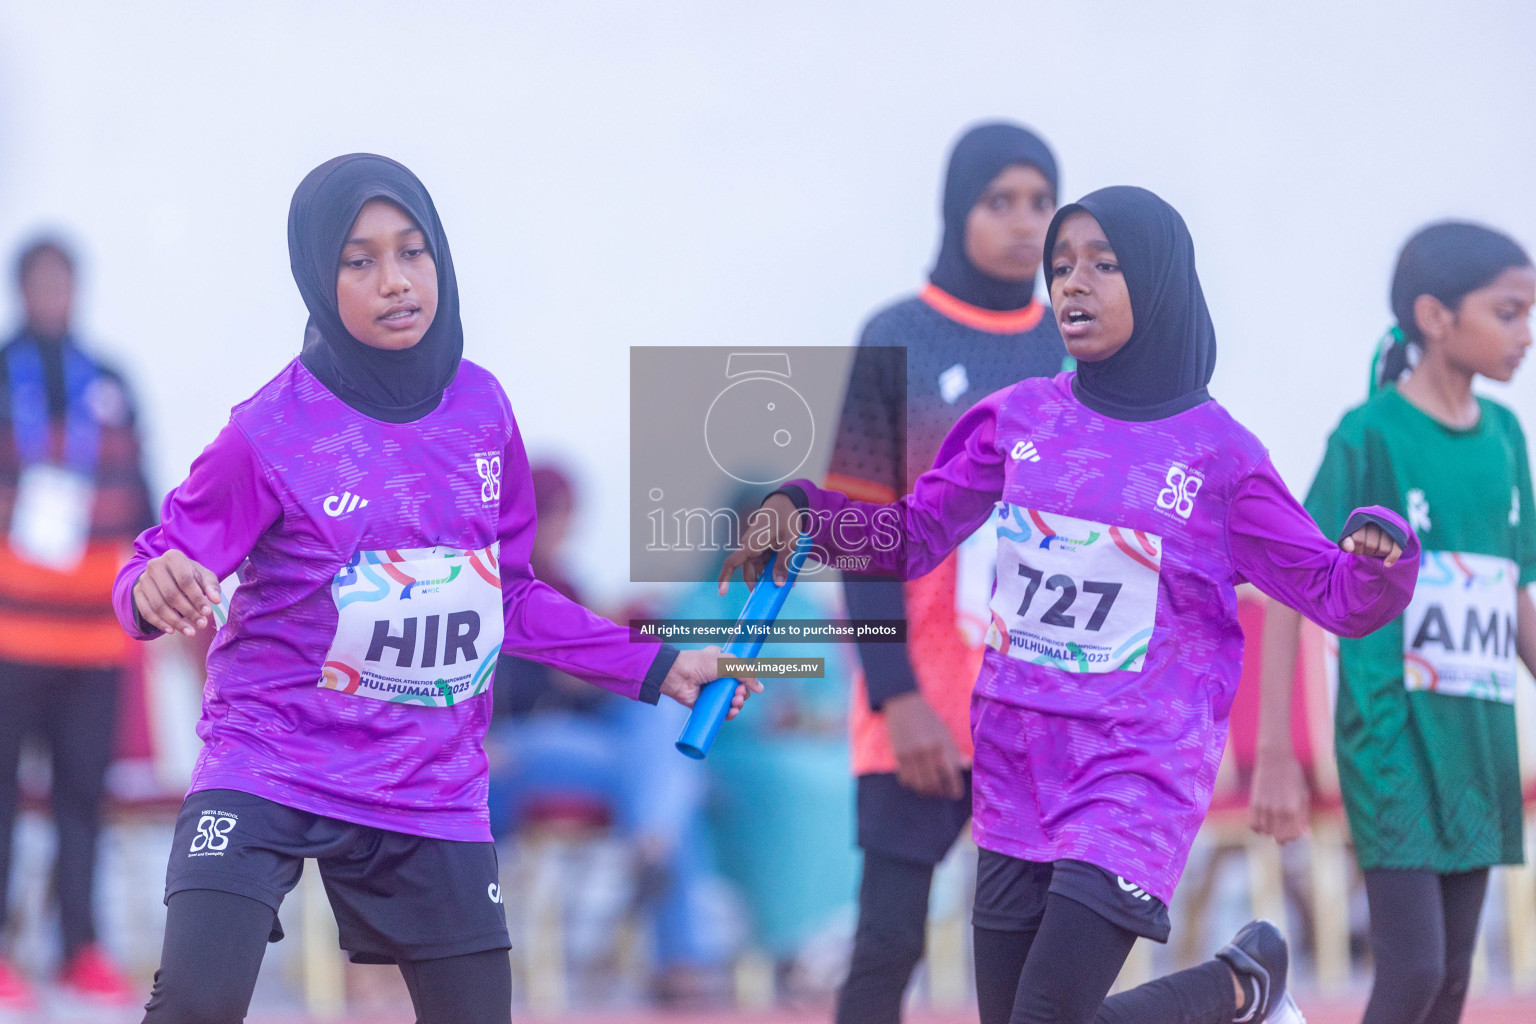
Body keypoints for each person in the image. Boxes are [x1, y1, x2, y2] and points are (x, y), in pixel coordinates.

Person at [722, 186, 1422, 1024]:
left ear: (1158, 280)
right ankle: (1236, 989)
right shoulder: (1017, 419)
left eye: (1103, 265)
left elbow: (1337, 596)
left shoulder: (1220, 456)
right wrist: (807, 512)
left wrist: (1383, 550)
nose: (1072, 285)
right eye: (1061, 268)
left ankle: (1237, 989)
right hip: (1016, 761)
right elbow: (912, 536)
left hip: (1136, 770)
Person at [114, 154, 757, 1024]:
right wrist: (149, 586)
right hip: (270, 761)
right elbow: (156, 559)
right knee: (192, 1004)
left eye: (412, 252)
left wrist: (660, 666)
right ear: (317, 275)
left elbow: (513, 598)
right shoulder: (267, 432)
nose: (395, 281)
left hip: (427, 782)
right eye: (360, 260)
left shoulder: (483, 412)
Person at [1249, 222, 1536, 1024]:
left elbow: (1515, 596)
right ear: (1436, 317)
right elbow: (1283, 588)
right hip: (1393, 740)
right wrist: (1276, 753)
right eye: (1508, 313)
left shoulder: (1508, 440)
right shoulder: (1369, 435)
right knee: (1411, 972)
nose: (1526, 335)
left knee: (1449, 983)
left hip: (1479, 743)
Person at [826, 120, 1069, 1024]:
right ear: (955, 208)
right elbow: (858, 532)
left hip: (1042, 702)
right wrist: (897, 697)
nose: (1023, 223)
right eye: (999, 202)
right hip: (920, 703)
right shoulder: (897, 338)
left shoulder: (1071, 353)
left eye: (1041, 203)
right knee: (888, 945)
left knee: (1031, 958)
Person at [485, 463, 733, 1005]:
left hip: (578, 740)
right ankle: (682, 955)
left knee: (661, 722)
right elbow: (493, 680)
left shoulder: (566, 585)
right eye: (553, 517)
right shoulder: (487, 582)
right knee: (674, 777)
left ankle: (652, 843)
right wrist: (566, 672)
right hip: (510, 746)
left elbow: (593, 677)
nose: (562, 530)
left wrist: (604, 659)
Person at [0, 237, 152, 1008]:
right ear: (22, 289)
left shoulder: (113, 383)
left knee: (81, 800)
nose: (54, 293)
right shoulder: (1, 376)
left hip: (95, 636)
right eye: (41, 281)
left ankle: (81, 947)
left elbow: (146, 499)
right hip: (9, 636)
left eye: (65, 280)